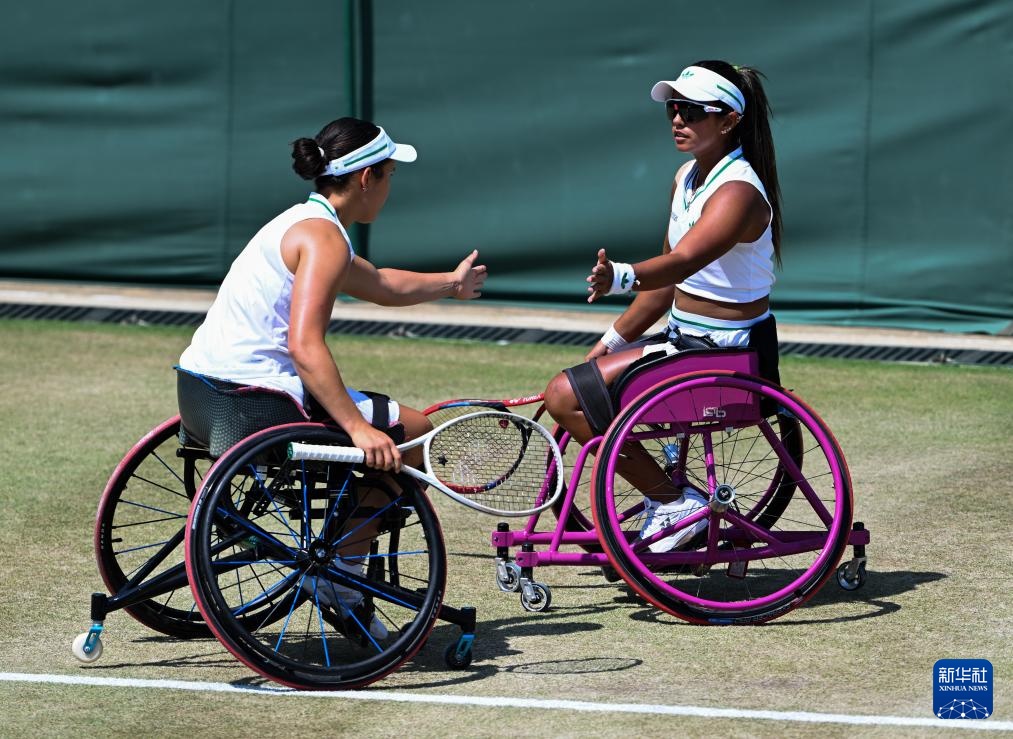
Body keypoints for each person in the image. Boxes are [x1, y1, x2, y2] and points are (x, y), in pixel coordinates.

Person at [178, 116, 487, 634]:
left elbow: (382, 283)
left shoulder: (302, 223)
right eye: (389, 175)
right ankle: (341, 580)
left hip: (200, 394)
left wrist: (452, 284)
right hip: (255, 403)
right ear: (367, 178)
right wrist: (359, 429)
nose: (390, 187)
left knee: (379, 425)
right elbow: (304, 346)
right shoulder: (324, 239)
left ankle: (339, 563)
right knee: (415, 436)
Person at [543, 60, 783, 553]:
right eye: (673, 108)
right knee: (574, 388)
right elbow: (670, 283)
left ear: (728, 120)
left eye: (692, 111)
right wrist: (611, 341)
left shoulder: (738, 192)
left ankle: (673, 502)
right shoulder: (687, 177)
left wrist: (620, 275)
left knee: (563, 396)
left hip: (724, 354)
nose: (677, 119)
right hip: (686, 341)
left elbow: (683, 261)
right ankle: (670, 499)